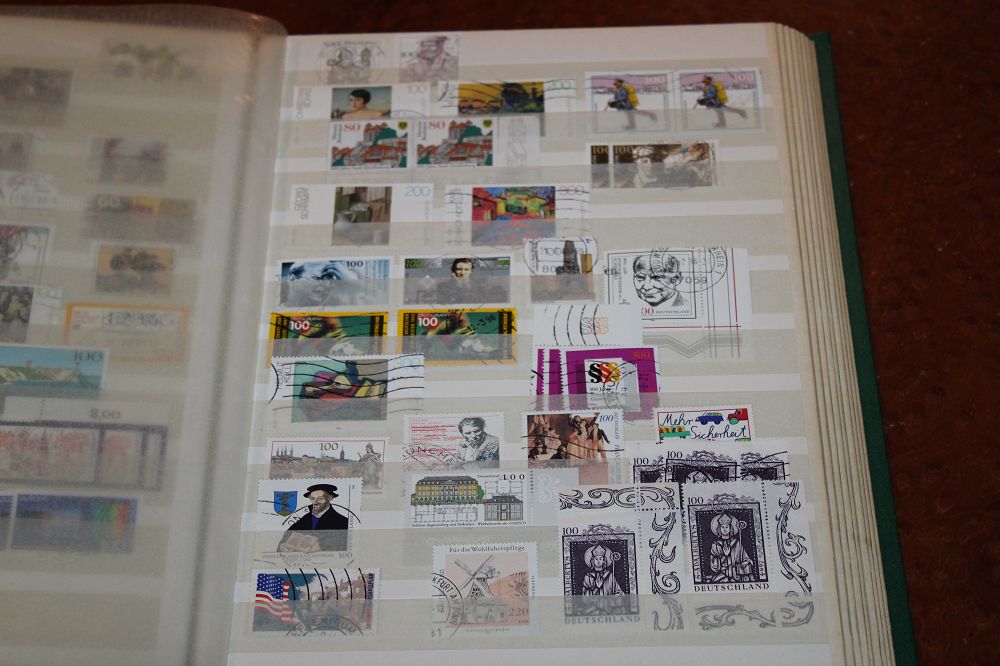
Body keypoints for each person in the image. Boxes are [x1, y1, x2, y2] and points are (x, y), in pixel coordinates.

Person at [278, 483, 349, 552]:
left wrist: (322, 547)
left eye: (320, 498)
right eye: (313, 498)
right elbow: (288, 534)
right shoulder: (305, 518)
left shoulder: (343, 521)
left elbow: (343, 543)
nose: (315, 502)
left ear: (330, 498)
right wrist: (282, 545)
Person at [708, 513, 756, 582]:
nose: (725, 529)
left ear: (730, 528)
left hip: (736, 573)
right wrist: (725, 555)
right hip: (723, 573)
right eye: (722, 527)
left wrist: (746, 562)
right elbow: (714, 566)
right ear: (719, 529)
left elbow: (745, 557)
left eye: (727, 527)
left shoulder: (737, 543)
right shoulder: (715, 545)